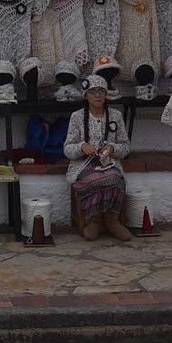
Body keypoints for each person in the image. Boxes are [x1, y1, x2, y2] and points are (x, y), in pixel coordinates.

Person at [63, 74, 132, 241]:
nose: (97, 95)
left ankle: (112, 220)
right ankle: (95, 220)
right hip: (84, 165)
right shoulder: (77, 117)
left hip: (109, 163)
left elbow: (125, 146)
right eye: (92, 91)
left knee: (115, 179)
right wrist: (82, 147)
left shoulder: (115, 115)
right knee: (94, 180)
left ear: (106, 94)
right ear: (85, 95)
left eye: (101, 91)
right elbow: (67, 149)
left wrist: (112, 147)